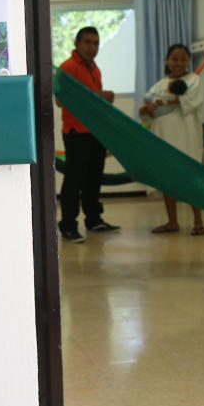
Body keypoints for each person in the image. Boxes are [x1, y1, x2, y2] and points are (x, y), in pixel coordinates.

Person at [56, 26, 121, 243]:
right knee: (74, 181)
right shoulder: (68, 67)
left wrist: (102, 99)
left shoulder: (94, 68)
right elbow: (60, 100)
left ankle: (94, 220)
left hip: (96, 131)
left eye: (96, 43)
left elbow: (92, 101)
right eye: (88, 42)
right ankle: (67, 226)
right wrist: (99, 96)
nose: (92, 47)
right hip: (77, 133)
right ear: (77, 44)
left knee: (94, 178)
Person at [140, 44, 204, 236]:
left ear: (188, 61)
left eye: (183, 59)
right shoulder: (158, 85)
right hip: (163, 137)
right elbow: (145, 110)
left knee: (191, 177)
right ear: (167, 61)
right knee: (167, 178)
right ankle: (172, 222)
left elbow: (192, 101)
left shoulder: (194, 80)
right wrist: (146, 109)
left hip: (187, 136)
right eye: (174, 59)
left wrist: (166, 102)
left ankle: (198, 222)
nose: (178, 63)